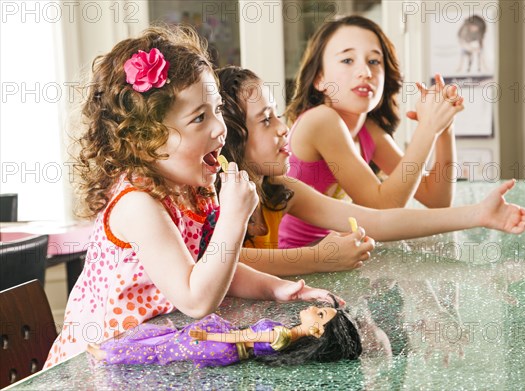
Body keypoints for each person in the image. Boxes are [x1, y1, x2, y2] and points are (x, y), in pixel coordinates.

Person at [44, 26, 336, 369]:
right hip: (94, 366)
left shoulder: (189, 189)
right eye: (199, 118)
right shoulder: (138, 204)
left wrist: (276, 289)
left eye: (217, 109)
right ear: (146, 140)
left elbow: (211, 269)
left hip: (149, 352)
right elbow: (196, 298)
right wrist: (233, 218)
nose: (219, 128)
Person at [215, 66, 525, 275]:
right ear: (231, 138)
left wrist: (479, 214)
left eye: (374, 61)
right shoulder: (210, 201)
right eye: (266, 120)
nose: (284, 128)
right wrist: (318, 258)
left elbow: (380, 220)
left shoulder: (278, 189)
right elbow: (227, 261)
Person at [279, 15, 465, 249]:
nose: (365, 71)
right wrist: (427, 128)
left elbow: (436, 199)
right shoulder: (321, 120)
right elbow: (384, 209)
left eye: (375, 62)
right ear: (319, 78)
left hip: (335, 259)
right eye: (347, 60)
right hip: (296, 266)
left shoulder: (367, 130)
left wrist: (444, 126)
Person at [86, 296, 361, 367]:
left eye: (321, 314)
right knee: (168, 340)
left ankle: (111, 355)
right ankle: (114, 349)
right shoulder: (286, 334)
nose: (315, 308)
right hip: (225, 341)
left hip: (222, 344)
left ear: (315, 331)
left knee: (164, 350)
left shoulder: (281, 336)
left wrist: (207, 336)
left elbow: (241, 337)